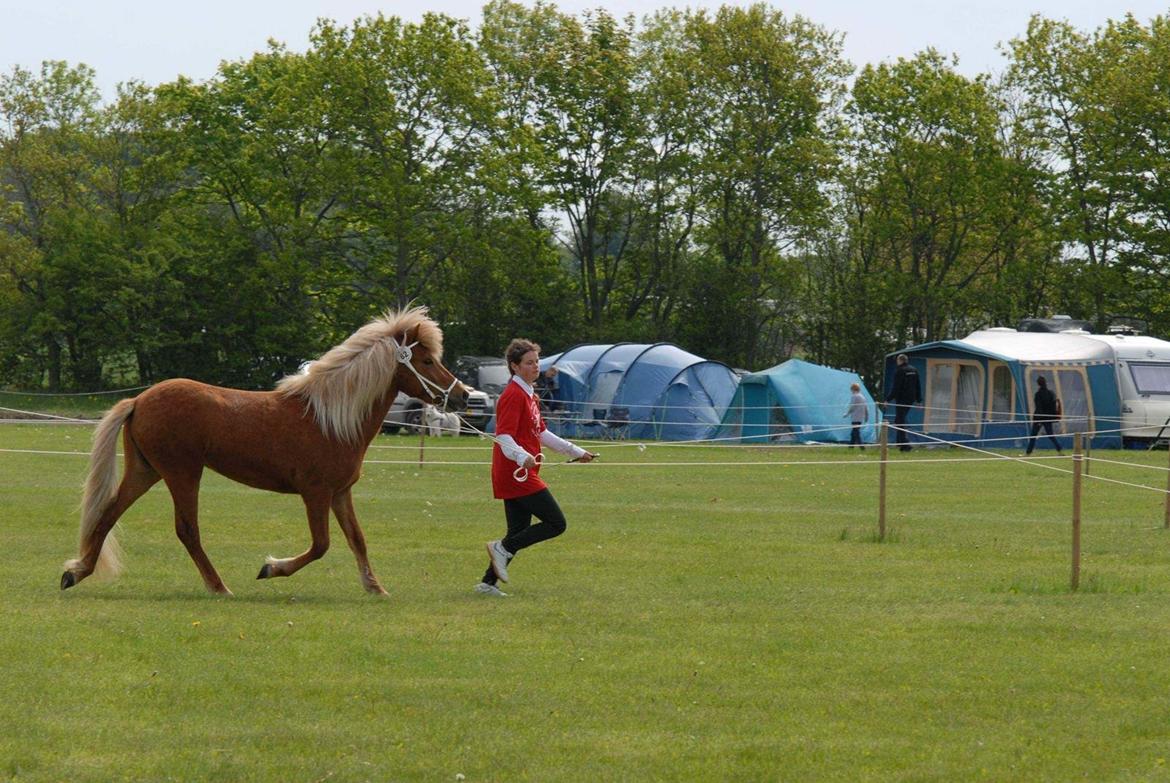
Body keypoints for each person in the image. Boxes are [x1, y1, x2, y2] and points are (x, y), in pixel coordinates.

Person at [477, 339, 596, 597]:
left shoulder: (530, 394)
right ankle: (501, 548)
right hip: (515, 473)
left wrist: (576, 452)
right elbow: (503, 436)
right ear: (515, 367)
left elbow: (541, 432)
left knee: (518, 531)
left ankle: (487, 584)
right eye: (529, 363)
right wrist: (521, 457)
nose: (535, 367)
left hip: (523, 471)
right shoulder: (512, 395)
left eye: (537, 362)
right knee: (556, 522)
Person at [886, 354, 921, 452]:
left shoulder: (899, 371)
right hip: (910, 399)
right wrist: (918, 400)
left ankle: (905, 444)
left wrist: (888, 399)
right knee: (899, 420)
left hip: (901, 399)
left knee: (899, 420)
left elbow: (896, 387)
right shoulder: (914, 370)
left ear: (900, 360)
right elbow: (918, 385)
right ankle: (900, 443)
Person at [1024, 376, 1063, 456]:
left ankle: (1028, 453)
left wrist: (1038, 419)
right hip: (1048, 418)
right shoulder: (1051, 393)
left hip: (1039, 418)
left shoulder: (1038, 394)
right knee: (1051, 435)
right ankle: (1060, 451)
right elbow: (1053, 406)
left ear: (1038, 384)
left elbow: (1039, 407)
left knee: (1033, 436)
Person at [843, 382, 867, 449]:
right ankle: (851, 447)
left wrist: (847, 414)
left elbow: (852, 407)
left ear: (853, 389)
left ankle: (862, 447)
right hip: (861, 417)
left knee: (856, 432)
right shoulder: (862, 397)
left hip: (855, 417)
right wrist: (866, 416)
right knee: (854, 432)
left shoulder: (854, 396)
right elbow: (866, 407)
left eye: (851, 389)